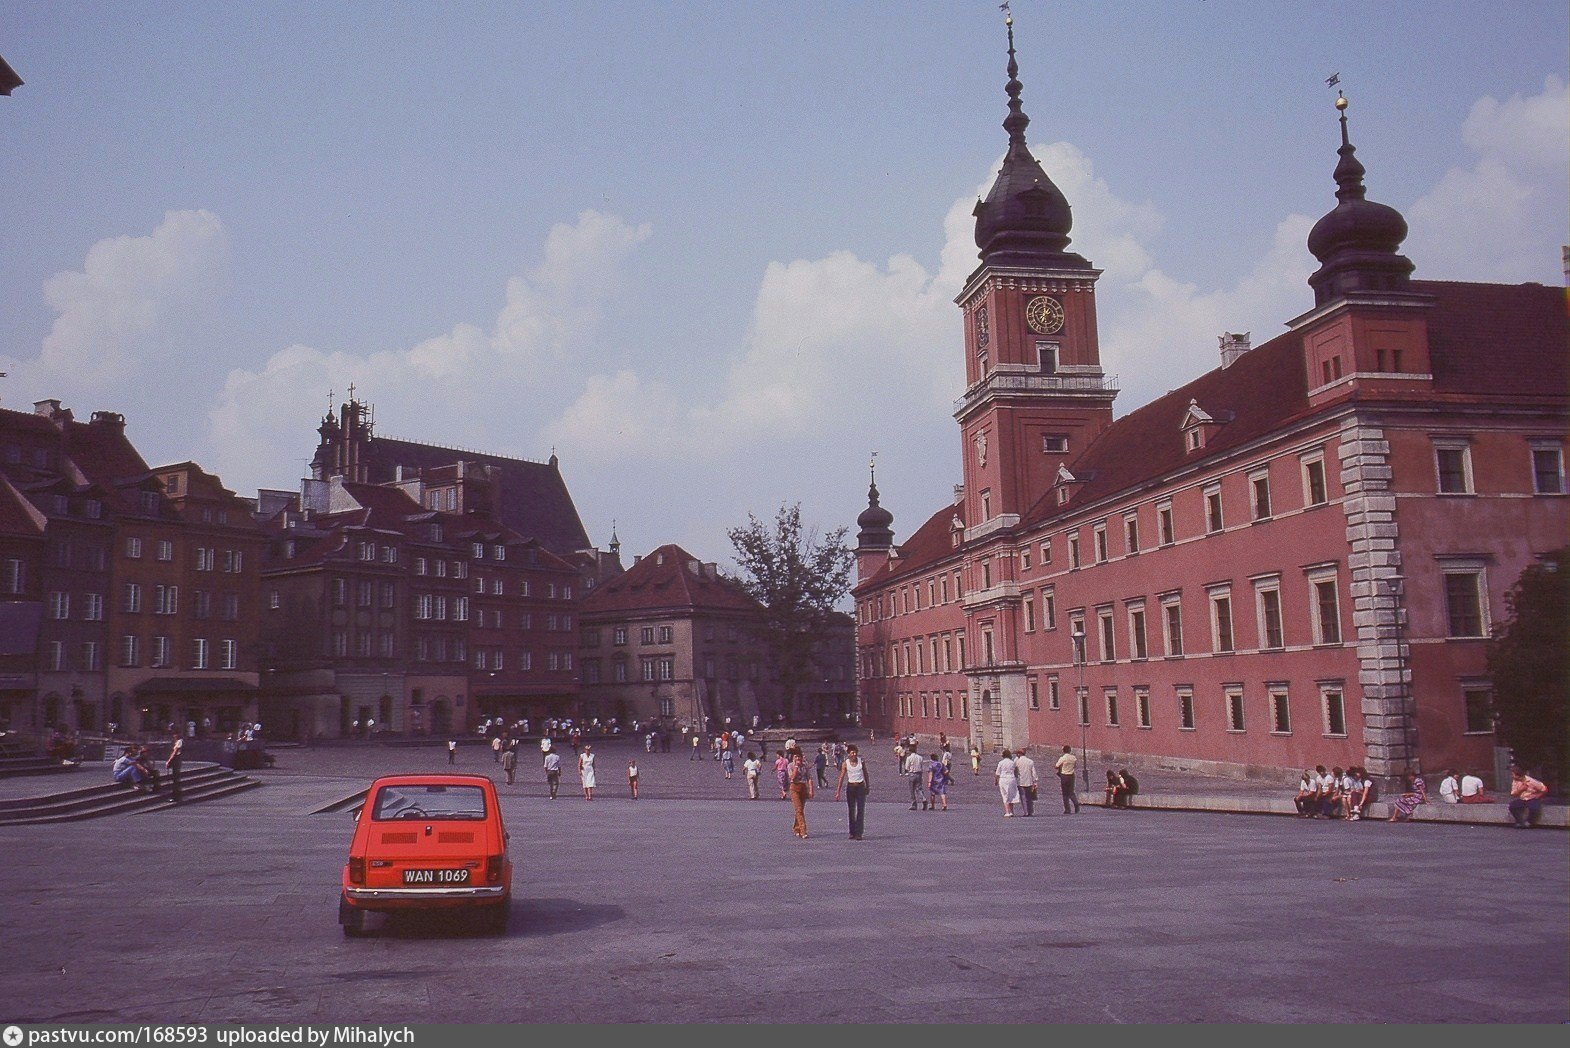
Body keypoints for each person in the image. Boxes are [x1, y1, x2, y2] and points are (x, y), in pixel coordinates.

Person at [834, 743, 870, 839]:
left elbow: (865, 774)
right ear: (848, 754)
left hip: (860, 786)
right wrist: (838, 791)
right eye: (852, 753)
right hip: (851, 787)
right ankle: (852, 832)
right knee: (851, 810)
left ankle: (859, 833)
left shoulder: (861, 761)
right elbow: (841, 777)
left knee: (860, 810)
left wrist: (868, 786)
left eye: (855, 752)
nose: (854, 754)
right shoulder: (845, 764)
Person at [787, 749, 815, 839]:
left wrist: (811, 790)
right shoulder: (790, 766)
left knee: (800, 809)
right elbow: (792, 778)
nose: (798, 758)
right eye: (796, 757)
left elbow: (809, 778)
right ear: (793, 757)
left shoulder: (805, 766)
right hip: (794, 787)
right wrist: (796, 767)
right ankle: (803, 830)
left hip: (803, 788)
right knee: (798, 809)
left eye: (799, 757)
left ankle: (796, 828)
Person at [1054, 745, 1079, 814]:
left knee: (1065, 794)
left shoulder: (1063, 758)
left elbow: (1056, 766)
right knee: (1071, 792)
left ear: (1063, 751)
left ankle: (1067, 809)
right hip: (1071, 776)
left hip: (1064, 776)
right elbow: (1075, 766)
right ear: (1070, 750)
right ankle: (1076, 804)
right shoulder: (1074, 758)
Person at [995, 749, 1020, 817]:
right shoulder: (1012, 763)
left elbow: (997, 773)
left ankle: (1007, 811)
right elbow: (1016, 772)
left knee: (1005, 795)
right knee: (1011, 794)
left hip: (1003, 779)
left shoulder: (1001, 763)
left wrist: (996, 780)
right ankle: (1011, 811)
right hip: (1012, 779)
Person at [1015, 748, 1038, 816]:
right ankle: (1030, 811)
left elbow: (1015, 772)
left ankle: (1026, 812)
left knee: (1023, 797)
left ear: (1019, 754)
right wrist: (1035, 781)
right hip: (1029, 781)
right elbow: (1033, 772)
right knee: (1029, 797)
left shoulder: (1017, 762)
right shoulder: (1030, 761)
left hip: (1020, 781)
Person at [164, 731, 184, 804]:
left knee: (175, 778)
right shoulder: (178, 741)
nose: (174, 736)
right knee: (175, 778)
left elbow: (174, 752)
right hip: (177, 760)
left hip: (176, 760)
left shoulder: (179, 742)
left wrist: (169, 761)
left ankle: (175, 796)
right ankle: (176, 795)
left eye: (175, 734)